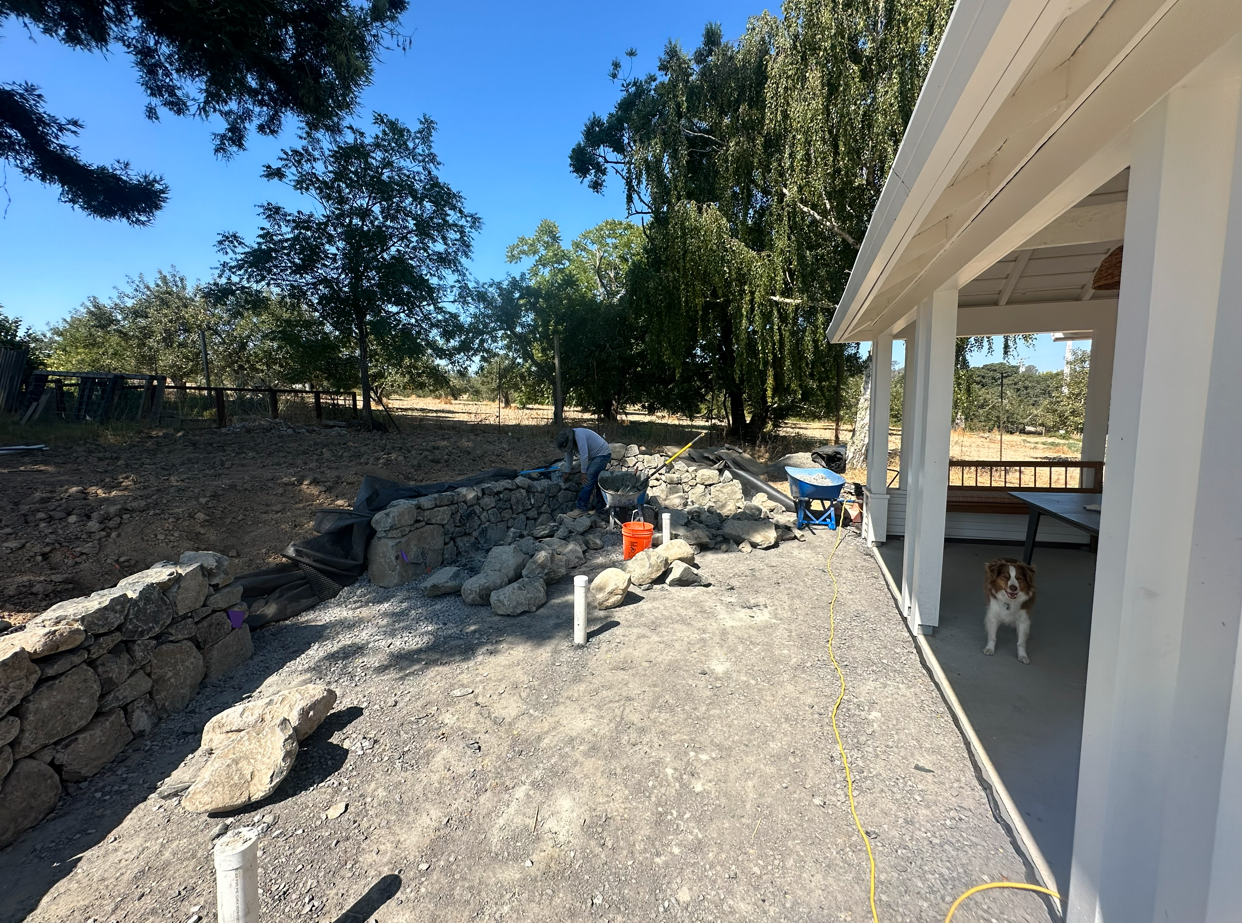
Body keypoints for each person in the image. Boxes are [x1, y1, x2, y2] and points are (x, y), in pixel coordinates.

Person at [555, 427, 611, 514]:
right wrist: (567, 471)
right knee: (597, 481)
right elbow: (569, 456)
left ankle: (581, 508)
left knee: (587, 479)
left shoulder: (579, 436)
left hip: (602, 454)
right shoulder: (570, 438)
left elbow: (584, 455)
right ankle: (601, 508)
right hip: (596, 456)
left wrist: (583, 472)